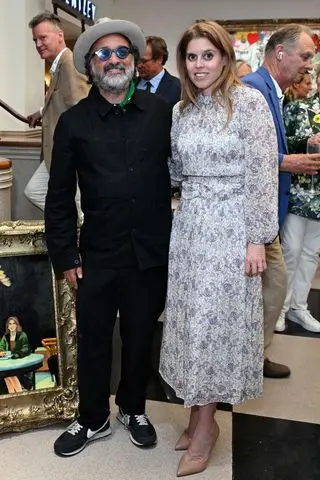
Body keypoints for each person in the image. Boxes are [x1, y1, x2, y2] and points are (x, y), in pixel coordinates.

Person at [45, 17, 172, 457]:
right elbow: (58, 197)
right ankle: (93, 416)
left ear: (136, 64)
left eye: (122, 53)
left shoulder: (162, 114)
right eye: (104, 53)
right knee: (95, 338)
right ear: (91, 66)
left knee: (140, 336)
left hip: (151, 251)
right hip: (96, 253)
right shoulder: (74, 123)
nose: (113, 59)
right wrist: (64, 256)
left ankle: (133, 407)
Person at [159, 20, 279, 477]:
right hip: (189, 228)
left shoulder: (248, 104)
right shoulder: (180, 111)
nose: (199, 65)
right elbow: (173, 170)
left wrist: (257, 239)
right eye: (191, 57)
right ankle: (195, 414)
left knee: (215, 328)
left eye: (207, 55)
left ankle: (207, 427)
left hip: (232, 230)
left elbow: (264, 173)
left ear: (225, 58)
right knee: (191, 324)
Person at [243, 24, 320, 378]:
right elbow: (239, 154)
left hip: (267, 215)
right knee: (272, 287)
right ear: (280, 54)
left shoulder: (273, 92)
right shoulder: (253, 90)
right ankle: (248, 360)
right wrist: (286, 162)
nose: (309, 63)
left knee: (272, 290)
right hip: (253, 217)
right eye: (304, 56)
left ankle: (254, 356)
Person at [24, 12, 89, 212]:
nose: (38, 44)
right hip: (56, 153)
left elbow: (81, 106)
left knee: (78, 207)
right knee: (35, 191)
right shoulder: (58, 65)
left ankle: (75, 231)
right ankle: (68, 223)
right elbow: (64, 98)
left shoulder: (69, 62)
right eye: (35, 39)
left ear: (60, 35)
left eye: (43, 38)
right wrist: (43, 111)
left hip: (71, 156)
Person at [275, 67, 320, 333]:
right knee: (289, 252)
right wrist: (307, 140)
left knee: (311, 254)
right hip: (296, 192)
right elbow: (281, 145)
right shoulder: (298, 108)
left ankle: (299, 307)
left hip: (319, 198)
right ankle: (281, 307)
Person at [136, 36, 181, 108]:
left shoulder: (179, 88)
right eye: (137, 60)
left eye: (143, 61)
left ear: (159, 59)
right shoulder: (129, 85)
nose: (139, 65)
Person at [0, 317, 31, 393]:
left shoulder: (22, 335)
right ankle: (16, 391)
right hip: (8, 363)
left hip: (20, 363)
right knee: (7, 375)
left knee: (9, 374)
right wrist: (0, 352)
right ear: (7, 326)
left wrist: (18, 354)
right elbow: (1, 347)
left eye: (14, 323)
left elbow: (26, 348)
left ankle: (17, 391)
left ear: (17, 325)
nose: (12, 325)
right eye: (10, 324)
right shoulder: (5, 337)